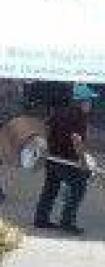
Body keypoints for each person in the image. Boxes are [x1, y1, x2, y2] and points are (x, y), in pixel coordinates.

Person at [34, 83, 96, 234]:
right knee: (78, 187)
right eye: (89, 101)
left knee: (50, 188)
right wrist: (83, 161)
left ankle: (41, 219)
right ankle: (67, 222)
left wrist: (45, 149)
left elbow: (45, 128)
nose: (91, 104)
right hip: (68, 160)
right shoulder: (79, 116)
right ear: (81, 101)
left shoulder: (59, 112)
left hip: (53, 157)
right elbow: (76, 140)